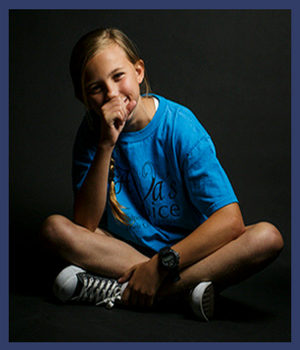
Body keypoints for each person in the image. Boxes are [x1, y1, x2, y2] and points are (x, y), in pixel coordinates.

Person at [40, 27, 284, 321]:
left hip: (187, 255)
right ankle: (181, 294)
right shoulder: (92, 134)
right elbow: (85, 223)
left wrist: (160, 267)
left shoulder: (179, 126)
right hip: (126, 253)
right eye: (96, 88)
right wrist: (106, 143)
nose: (112, 93)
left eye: (119, 77)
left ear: (138, 71)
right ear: (84, 98)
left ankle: (124, 291)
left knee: (267, 237)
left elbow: (231, 221)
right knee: (55, 229)